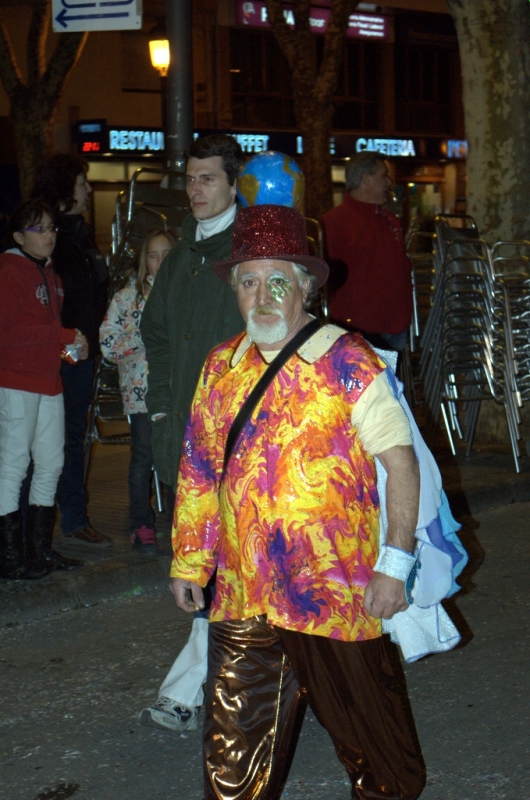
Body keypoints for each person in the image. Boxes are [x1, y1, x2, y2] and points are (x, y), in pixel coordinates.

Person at [170, 204, 426, 800]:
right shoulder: (220, 368)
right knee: (234, 740)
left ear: (306, 288)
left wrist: (395, 564)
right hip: (242, 587)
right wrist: (189, 560)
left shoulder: (347, 358)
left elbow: (400, 462)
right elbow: (200, 470)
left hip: (332, 591)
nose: (262, 295)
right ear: (235, 289)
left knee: (371, 732)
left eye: (276, 280)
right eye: (249, 281)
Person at [138, 133, 245, 732]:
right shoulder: (179, 256)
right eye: (190, 177)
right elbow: (156, 336)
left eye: (207, 178)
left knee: (225, 567)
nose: (195, 189)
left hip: (239, 441)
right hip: (181, 437)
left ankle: (188, 690)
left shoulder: (255, 250)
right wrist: (158, 412)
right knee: (208, 567)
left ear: (233, 183)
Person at [0, 199, 87, 580]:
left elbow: (43, 336)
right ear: (19, 236)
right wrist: (62, 335)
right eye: (40, 229)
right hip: (15, 381)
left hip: (48, 380)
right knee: (13, 465)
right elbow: (6, 334)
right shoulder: (8, 272)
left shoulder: (51, 274)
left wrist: (72, 350)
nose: (50, 235)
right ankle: (8, 555)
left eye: (52, 227)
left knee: (51, 463)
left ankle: (38, 550)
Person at [31, 155, 111, 548]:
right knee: (47, 439)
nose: (89, 190)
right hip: (57, 355)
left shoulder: (79, 234)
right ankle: (41, 526)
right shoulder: (49, 238)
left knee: (73, 436)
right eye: (83, 182)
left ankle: (71, 518)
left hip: (81, 355)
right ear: (65, 188)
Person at [99, 228, 177, 555]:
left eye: (166, 254)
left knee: (177, 457)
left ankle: (181, 522)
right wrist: (143, 339)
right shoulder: (126, 298)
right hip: (141, 394)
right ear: (144, 259)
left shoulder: (184, 295)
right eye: (153, 254)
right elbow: (107, 344)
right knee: (144, 458)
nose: (159, 261)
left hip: (176, 392)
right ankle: (140, 523)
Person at [321, 151, 413, 352]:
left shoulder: (389, 220)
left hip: (394, 327)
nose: (389, 182)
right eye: (383, 175)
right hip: (357, 334)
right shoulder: (333, 223)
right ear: (366, 180)